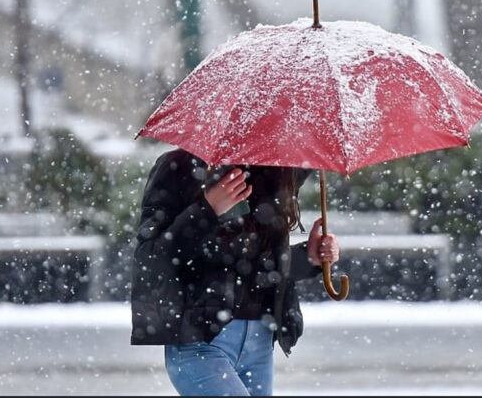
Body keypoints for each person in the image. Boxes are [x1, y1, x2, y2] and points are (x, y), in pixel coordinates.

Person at [129, 148, 340, 396]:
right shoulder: (180, 165)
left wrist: (310, 258)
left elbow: (255, 266)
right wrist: (207, 210)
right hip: (202, 342)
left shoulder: (276, 170)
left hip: (259, 344)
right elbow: (151, 259)